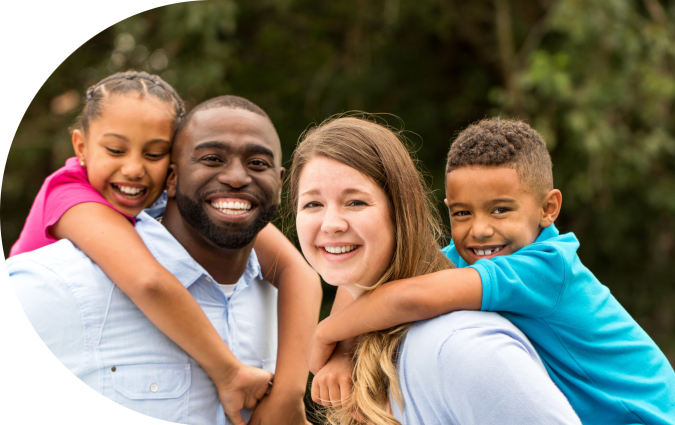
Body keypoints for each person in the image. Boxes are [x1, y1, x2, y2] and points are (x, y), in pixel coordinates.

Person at [307, 118, 675, 424]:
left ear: (549, 208)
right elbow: (371, 283)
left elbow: (409, 297)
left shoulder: (546, 267)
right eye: (462, 213)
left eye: (500, 210)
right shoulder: (471, 257)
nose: (479, 229)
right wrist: (343, 353)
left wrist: (327, 333)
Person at [8, 94, 322, 425]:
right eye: (212, 158)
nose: (236, 178)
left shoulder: (278, 301)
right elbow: (149, 281)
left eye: (257, 163)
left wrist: (287, 396)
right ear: (173, 177)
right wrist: (228, 372)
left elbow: (298, 271)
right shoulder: (68, 257)